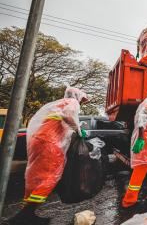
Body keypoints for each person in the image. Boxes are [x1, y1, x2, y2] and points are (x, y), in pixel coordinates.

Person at [10, 87, 88, 224]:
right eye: (82, 99)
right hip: (50, 144)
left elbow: (60, 121)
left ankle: (26, 211)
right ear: (77, 96)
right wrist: (79, 130)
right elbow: (69, 116)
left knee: (36, 177)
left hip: (39, 141)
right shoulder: (72, 102)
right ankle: (25, 216)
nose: (82, 102)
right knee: (50, 178)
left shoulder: (58, 104)